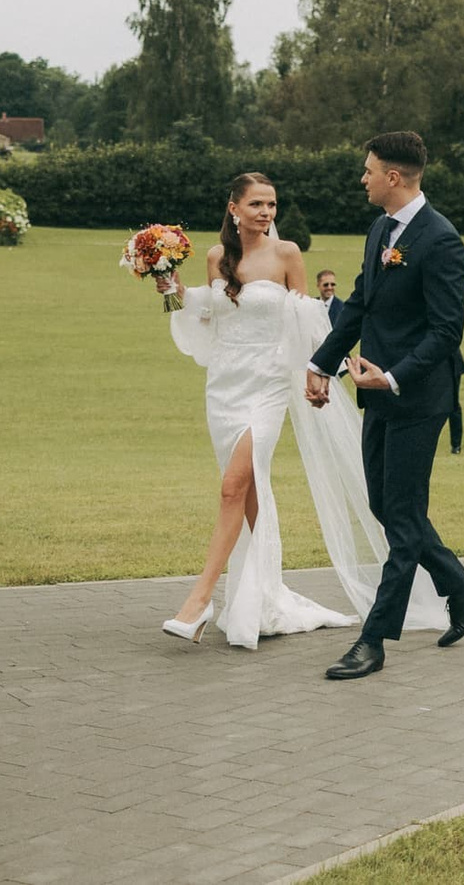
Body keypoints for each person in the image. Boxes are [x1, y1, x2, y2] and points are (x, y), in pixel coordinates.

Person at [305, 132, 464, 679]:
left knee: (400, 518)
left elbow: (446, 332)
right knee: (389, 507)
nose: (363, 177)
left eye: (369, 170)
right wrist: (321, 363)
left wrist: (392, 377)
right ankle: (460, 583)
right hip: (377, 394)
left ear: (393, 177)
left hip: (418, 397)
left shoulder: (441, 240)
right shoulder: (380, 230)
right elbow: (360, 305)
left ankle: (373, 640)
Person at [157, 172, 358, 648]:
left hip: (267, 386)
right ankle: (261, 595)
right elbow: (204, 316)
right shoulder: (215, 258)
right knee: (245, 493)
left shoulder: (287, 254)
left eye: (271, 204)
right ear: (234, 208)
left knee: (232, 487)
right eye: (257, 204)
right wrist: (166, 285)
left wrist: (329, 366)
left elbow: (308, 315)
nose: (266, 213)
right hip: (223, 386)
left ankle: (199, 601)